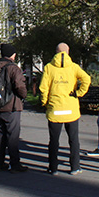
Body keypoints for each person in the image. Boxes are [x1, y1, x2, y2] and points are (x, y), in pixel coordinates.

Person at [39, 43, 91, 175]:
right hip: (71, 109)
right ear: (68, 52)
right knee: (74, 140)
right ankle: (75, 166)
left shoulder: (49, 67)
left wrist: (45, 102)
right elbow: (86, 78)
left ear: (56, 52)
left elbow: (43, 88)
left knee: (54, 140)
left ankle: (53, 167)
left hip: (55, 109)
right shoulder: (73, 67)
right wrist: (79, 93)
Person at [0, 43, 28, 173]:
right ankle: (15, 164)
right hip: (12, 105)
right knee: (13, 136)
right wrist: (24, 95)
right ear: (12, 54)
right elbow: (19, 86)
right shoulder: (13, 68)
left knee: (0, 134)